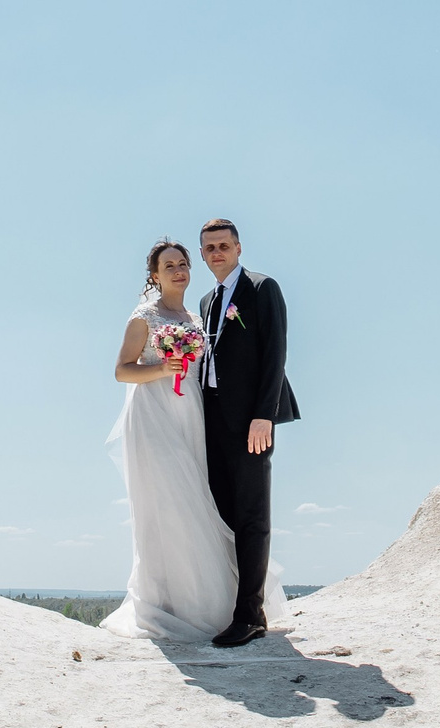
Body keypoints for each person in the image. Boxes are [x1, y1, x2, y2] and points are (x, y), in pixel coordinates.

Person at [99, 233, 296, 645]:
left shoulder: (208, 308)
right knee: (171, 505)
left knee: (207, 508)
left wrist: (264, 413)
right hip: (157, 418)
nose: (179, 271)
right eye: (169, 266)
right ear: (154, 276)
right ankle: (174, 604)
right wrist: (162, 369)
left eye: (182, 264)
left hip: (199, 418)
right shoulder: (153, 314)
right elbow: (122, 370)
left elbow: (272, 352)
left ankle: (235, 609)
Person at [194, 217, 299, 647]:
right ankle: (234, 603)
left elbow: (275, 352)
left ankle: (251, 615)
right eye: (210, 248)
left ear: (238, 248)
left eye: (224, 245)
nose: (217, 253)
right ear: (203, 255)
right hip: (212, 419)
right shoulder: (206, 301)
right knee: (224, 513)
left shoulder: (261, 287)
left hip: (251, 422)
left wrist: (263, 415)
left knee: (252, 515)